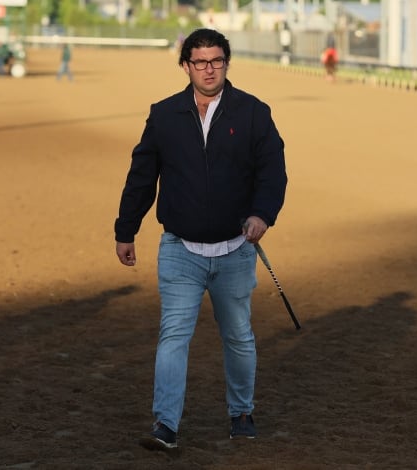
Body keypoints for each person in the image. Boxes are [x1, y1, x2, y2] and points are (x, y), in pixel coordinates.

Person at [114, 28, 287, 452]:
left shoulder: (252, 113)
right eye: (200, 62)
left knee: (239, 337)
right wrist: (126, 229)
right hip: (180, 250)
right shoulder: (164, 114)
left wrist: (263, 215)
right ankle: (165, 425)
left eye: (216, 61)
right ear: (185, 65)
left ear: (226, 63)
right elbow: (142, 176)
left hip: (234, 250)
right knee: (173, 336)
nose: (209, 69)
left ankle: (241, 413)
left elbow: (272, 172)